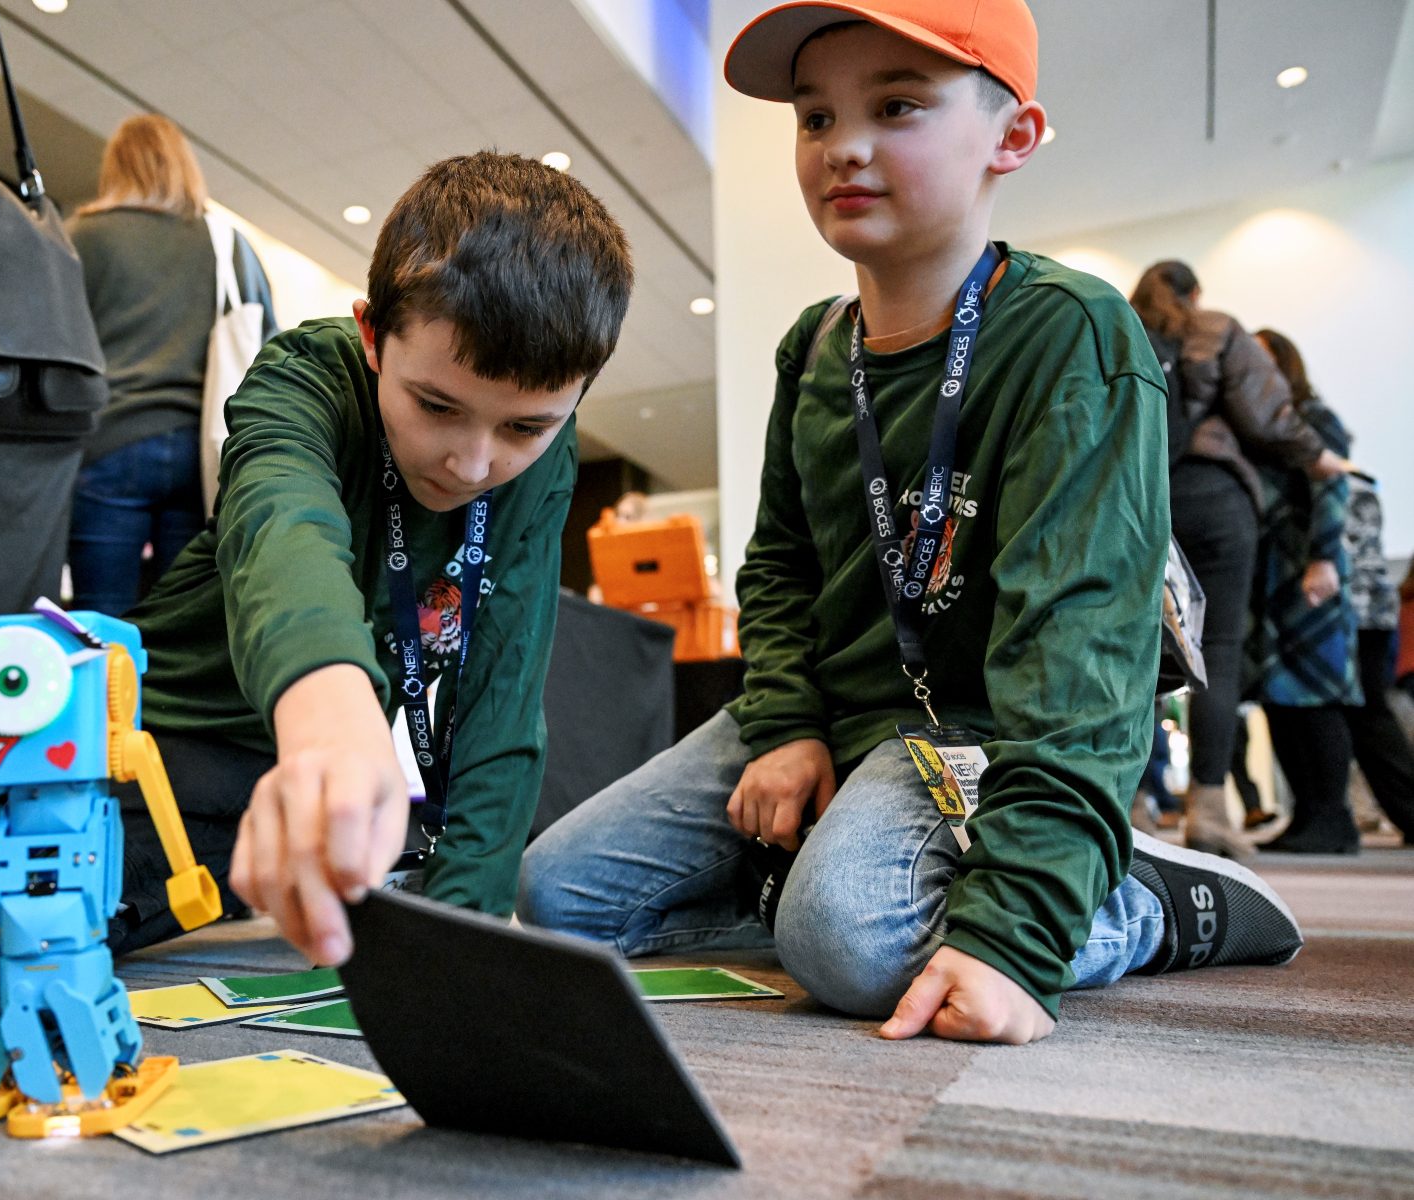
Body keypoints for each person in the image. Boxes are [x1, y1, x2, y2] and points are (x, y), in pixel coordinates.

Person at [518, 0, 1306, 1046]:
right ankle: (836, 885)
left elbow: (1078, 653)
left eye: (897, 106)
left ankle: (1137, 897)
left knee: (846, 944)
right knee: (561, 898)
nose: (843, 145)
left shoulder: (1068, 335)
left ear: (1010, 137)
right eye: (813, 118)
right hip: (837, 716)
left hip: (972, 729)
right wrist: (789, 723)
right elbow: (782, 568)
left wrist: (1015, 938)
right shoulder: (811, 352)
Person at [102, 152, 633, 963]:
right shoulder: (305, 380)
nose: (473, 463)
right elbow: (284, 534)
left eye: (526, 427)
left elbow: (504, 690)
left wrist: (467, 935)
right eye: (436, 406)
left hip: (305, 778)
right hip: (155, 733)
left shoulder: (543, 468)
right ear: (373, 337)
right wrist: (330, 718)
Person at [1128, 262, 1352, 860]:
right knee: (1216, 652)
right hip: (1216, 499)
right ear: (1194, 291)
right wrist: (1320, 457)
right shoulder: (1216, 327)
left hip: (1139, 501)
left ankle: (1132, 806)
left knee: (1134, 654)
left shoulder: (1119, 329)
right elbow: (1267, 414)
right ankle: (1210, 814)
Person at [66, 114, 279, 616]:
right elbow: (270, 344)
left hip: (107, 444)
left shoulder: (81, 235)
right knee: (177, 618)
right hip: (199, 453)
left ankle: (108, 696)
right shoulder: (226, 243)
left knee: (100, 621)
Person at [1252, 329, 1414, 849]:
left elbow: (1330, 486)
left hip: (1330, 587)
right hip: (1290, 581)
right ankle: (1314, 817)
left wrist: (1322, 557)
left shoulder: (1313, 421)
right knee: (1293, 699)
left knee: (1335, 701)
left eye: (1261, 358)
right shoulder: (1267, 429)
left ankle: (1335, 818)